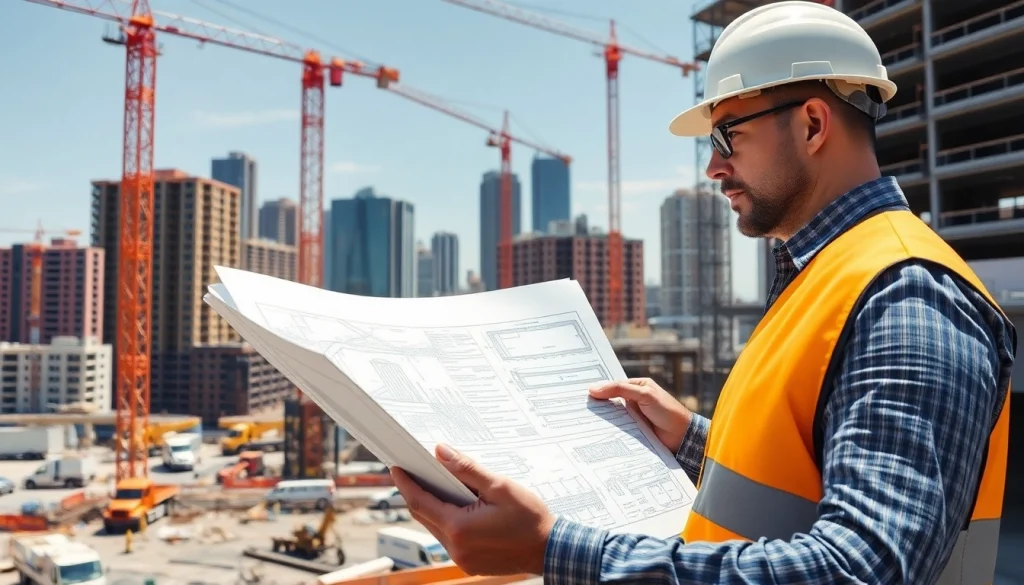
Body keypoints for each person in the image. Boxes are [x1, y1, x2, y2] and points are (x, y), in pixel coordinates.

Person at [390, 2, 1017, 583]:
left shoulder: (908, 301)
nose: (713, 168)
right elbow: (795, 481)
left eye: (727, 137)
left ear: (813, 124)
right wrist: (690, 438)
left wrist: (554, 548)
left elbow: (860, 568)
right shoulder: (830, 273)